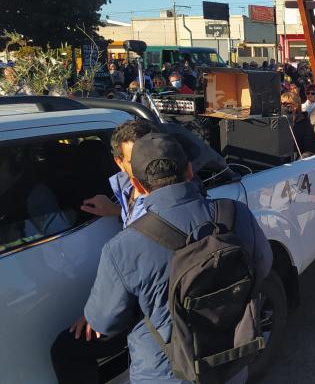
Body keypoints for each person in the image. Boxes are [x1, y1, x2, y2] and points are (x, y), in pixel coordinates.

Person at [53, 133, 272, 384]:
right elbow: (263, 266)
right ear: (189, 170)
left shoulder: (123, 247)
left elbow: (105, 322)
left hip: (168, 374)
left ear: (137, 184)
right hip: (230, 362)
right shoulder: (235, 213)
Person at [79, 120, 158, 227]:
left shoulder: (166, 193)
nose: (145, 166)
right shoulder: (124, 188)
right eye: (134, 161)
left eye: (149, 157)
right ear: (120, 162)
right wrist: (115, 209)